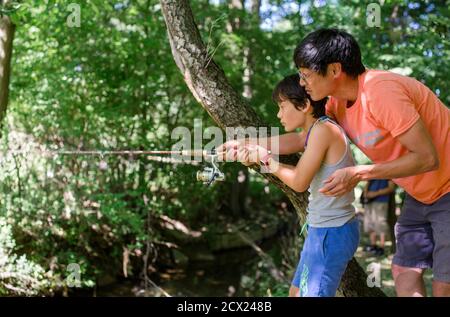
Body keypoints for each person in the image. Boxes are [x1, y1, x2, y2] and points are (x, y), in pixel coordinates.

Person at [293, 28, 450, 297]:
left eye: (306, 74)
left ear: (334, 70)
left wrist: (359, 173)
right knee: (404, 270)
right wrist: (253, 143)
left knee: (444, 283)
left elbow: (426, 158)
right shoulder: (337, 104)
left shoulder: (380, 91)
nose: (302, 82)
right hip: (420, 195)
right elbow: (305, 139)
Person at [219, 74, 359, 297]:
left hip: (331, 233)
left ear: (304, 105)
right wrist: (242, 144)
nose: (278, 114)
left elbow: (300, 182)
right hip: (321, 231)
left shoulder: (324, 131)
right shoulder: (314, 131)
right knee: (295, 293)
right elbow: (286, 142)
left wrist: (264, 160)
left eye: (282, 107)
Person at [362, 179, 395, 256]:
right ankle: (373, 245)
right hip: (369, 200)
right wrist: (366, 193)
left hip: (381, 201)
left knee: (380, 223)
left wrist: (375, 193)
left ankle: (382, 247)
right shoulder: (373, 169)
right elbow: (368, 182)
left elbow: (391, 188)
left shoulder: (387, 170)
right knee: (369, 223)